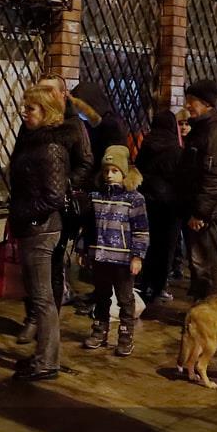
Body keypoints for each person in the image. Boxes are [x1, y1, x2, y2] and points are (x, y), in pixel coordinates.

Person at [16, 73, 93, 344]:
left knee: (53, 267)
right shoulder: (31, 126)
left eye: (49, 91)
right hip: (34, 205)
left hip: (57, 208)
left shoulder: (72, 125)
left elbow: (85, 162)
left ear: (61, 95)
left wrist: (63, 185)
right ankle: (34, 317)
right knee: (33, 273)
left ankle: (49, 325)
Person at [8, 85, 70, 381]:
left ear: (46, 112)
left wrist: (24, 213)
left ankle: (46, 362)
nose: (25, 113)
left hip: (40, 230)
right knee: (38, 297)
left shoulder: (50, 148)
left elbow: (54, 196)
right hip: (33, 227)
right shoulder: (34, 141)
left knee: (43, 299)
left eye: (30, 108)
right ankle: (43, 357)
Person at [81, 146, 148, 355]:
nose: (109, 175)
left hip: (122, 259)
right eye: (106, 171)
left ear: (124, 172)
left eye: (115, 171)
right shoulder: (96, 196)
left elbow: (141, 230)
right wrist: (84, 251)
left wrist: (137, 256)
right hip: (100, 257)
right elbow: (89, 227)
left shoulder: (134, 199)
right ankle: (99, 330)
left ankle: (126, 335)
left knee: (124, 298)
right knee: (101, 296)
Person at [176, 80, 217, 300]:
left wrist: (201, 213)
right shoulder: (202, 128)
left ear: (206, 103)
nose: (187, 105)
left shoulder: (216, 131)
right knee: (197, 261)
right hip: (195, 206)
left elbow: (216, 178)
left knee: (206, 262)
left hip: (204, 211)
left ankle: (212, 308)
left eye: (192, 101)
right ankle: (201, 305)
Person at [136, 110, 183, 303]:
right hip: (170, 206)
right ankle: (159, 287)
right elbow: (182, 178)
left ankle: (143, 283)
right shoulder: (176, 149)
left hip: (147, 202)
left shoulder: (146, 146)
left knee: (147, 244)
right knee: (166, 247)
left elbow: (138, 171)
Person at [71, 82, 129, 166]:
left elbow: (114, 158)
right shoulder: (86, 122)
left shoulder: (111, 125)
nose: (78, 111)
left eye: (80, 107)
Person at [170, 108, 193, 281]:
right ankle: (176, 265)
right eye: (181, 124)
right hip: (177, 196)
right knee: (176, 235)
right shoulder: (173, 144)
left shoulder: (195, 143)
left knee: (191, 236)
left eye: (187, 124)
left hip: (190, 196)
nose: (184, 127)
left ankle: (192, 268)